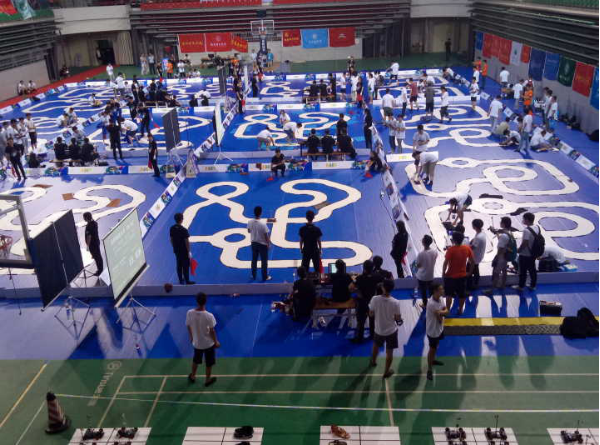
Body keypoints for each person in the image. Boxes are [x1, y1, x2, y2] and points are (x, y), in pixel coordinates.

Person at [369, 279, 402, 379]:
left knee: (376, 346)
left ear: (382, 287)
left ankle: (373, 361)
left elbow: (371, 314)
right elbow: (398, 318)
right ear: (392, 289)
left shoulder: (374, 299)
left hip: (378, 330)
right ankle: (386, 372)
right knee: (389, 352)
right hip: (391, 331)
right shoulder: (396, 302)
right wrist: (398, 319)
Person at [186, 292, 219, 387]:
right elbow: (212, 331)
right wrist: (216, 342)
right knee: (209, 363)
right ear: (205, 301)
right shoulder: (209, 316)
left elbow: (188, 325)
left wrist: (191, 337)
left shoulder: (189, 313)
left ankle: (193, 376)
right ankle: (207, 380)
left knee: (195, 360)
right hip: (208, 344)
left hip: (197, 344)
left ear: (197, 301)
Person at [442, 231, 474, 315]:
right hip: (462, 276)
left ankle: (447, 310)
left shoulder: (451, 250)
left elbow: (445, 263)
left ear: (454, 240)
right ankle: (460, 310)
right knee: (461, 294)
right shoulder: (467, 248)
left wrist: (443, 273)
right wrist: (470, 272)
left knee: (449, 294)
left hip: (450, 276)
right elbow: (472, 261)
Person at [351, 260, 381, 343]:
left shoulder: (359, 278)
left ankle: (360, 338)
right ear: (373, 268)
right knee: (372, 319)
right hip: (372, 302)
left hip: (362, 302)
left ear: (364, 268)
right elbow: (385, 283)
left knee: (361, 321)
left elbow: (350, 287)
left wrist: (357, 291)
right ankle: (372, 335)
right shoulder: (377, 276)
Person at [483, 217, 514, 296]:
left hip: (501, 257)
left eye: (501, 222)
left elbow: (501, 247)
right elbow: (502, 240)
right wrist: (496, 233)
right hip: (506, 256)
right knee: (504, 271)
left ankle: (491, 290)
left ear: (503, 224)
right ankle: (503, 285)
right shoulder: (509, 233)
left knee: (496, 273)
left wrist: (496, 257)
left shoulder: (504, 235)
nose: (500, 223)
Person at [425, 283, 449, 381]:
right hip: (432, 331)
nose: (443, 291)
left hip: (439, 328)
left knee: (436, 345)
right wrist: (442, 313)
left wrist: (441, 312)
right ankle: (429, 370)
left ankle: (433, 360)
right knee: (432, 349)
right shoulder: (431, 304)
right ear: (435, 291)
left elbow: (446, 310)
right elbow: (439, 318)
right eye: (441, 289)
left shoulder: (441, 298)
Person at [515, 212, 541, 292]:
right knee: (532, 270)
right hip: (533, 253)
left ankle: (521, 286)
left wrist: (518, 250)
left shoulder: (526, 230)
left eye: (523, 219)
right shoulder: (537, 227)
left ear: (527, 220)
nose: (522, 220)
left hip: (525, 254)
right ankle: (533, 285)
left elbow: (525, 243)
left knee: (522, 271)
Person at [248, 206, 272, 282]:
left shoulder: (250, 222)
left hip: (253, 243)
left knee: (254, 260)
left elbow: (249, 231)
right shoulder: (263, 224)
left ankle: (253, 275)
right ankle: (265, 277)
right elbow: (266, 236)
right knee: (264, 261)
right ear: (261, 213)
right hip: (262, 245)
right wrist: (268, 244)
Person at [170, 213, 195, 286]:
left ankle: (180, 280)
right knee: (185, 265)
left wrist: (174, 247)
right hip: (184, 251)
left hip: (177, 250)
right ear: (181, 219)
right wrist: (189, 251)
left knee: (179, 264)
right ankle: (187, 281)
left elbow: (171, 239)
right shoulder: (184, 230)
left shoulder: (172, 228)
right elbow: (186, 242)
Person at [415, 235, 438, 306]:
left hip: (422, 277)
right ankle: (432, 303)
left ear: (423, 242)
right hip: (430, 275)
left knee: (423, 291)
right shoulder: (435, 252)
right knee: (431, 291)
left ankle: (425, 304)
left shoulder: (421, 254)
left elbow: (418, 265)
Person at [468, 219, 487, 290]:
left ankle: (470, 285)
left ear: (474, 226)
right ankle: (475, 284)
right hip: (478, 255)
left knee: (469, 271)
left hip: (475, 256)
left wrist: (464, 246)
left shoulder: (479, 237)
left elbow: (472, 247)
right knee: (475, 269)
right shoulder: (481, 233)